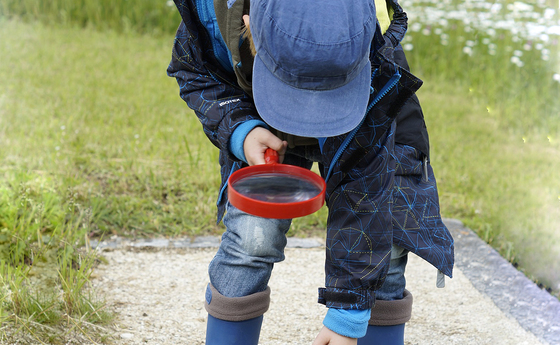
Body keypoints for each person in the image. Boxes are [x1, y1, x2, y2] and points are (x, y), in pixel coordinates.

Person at [167, 0, 454, 344]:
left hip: (361, 105)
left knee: (388, 241)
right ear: (249, 24)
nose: (311, 112)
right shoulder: (211, 14)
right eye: (297, 96)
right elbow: (195, 71)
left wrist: (347, 316)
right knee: (253, 236)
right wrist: (241, 130)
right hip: (264, 124)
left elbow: (365, 196)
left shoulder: (370, 60)